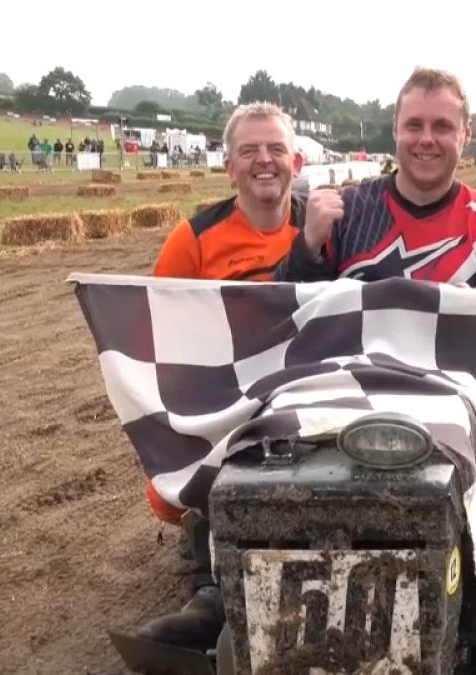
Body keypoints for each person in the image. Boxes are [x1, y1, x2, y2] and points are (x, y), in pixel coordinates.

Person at [273, 66, 476, 660]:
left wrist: (427, 324)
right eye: (414, 125)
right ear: (395, 131)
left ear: (465, 134)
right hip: (352, 380)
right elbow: (286, 316)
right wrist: (305, 249)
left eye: (442, 126)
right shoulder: (343, 212)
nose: (427, 139)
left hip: (458, 385)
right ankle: (224, 582)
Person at [125, 102, 307, 654]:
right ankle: (211, 591)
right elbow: (159, 333)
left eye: (275, 148)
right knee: (213, 430)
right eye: (249, 150)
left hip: (309, 380)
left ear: (296, 160)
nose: (264, 161)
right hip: (228, 388)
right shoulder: (195, 239)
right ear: (228, 165)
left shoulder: (326, 224)